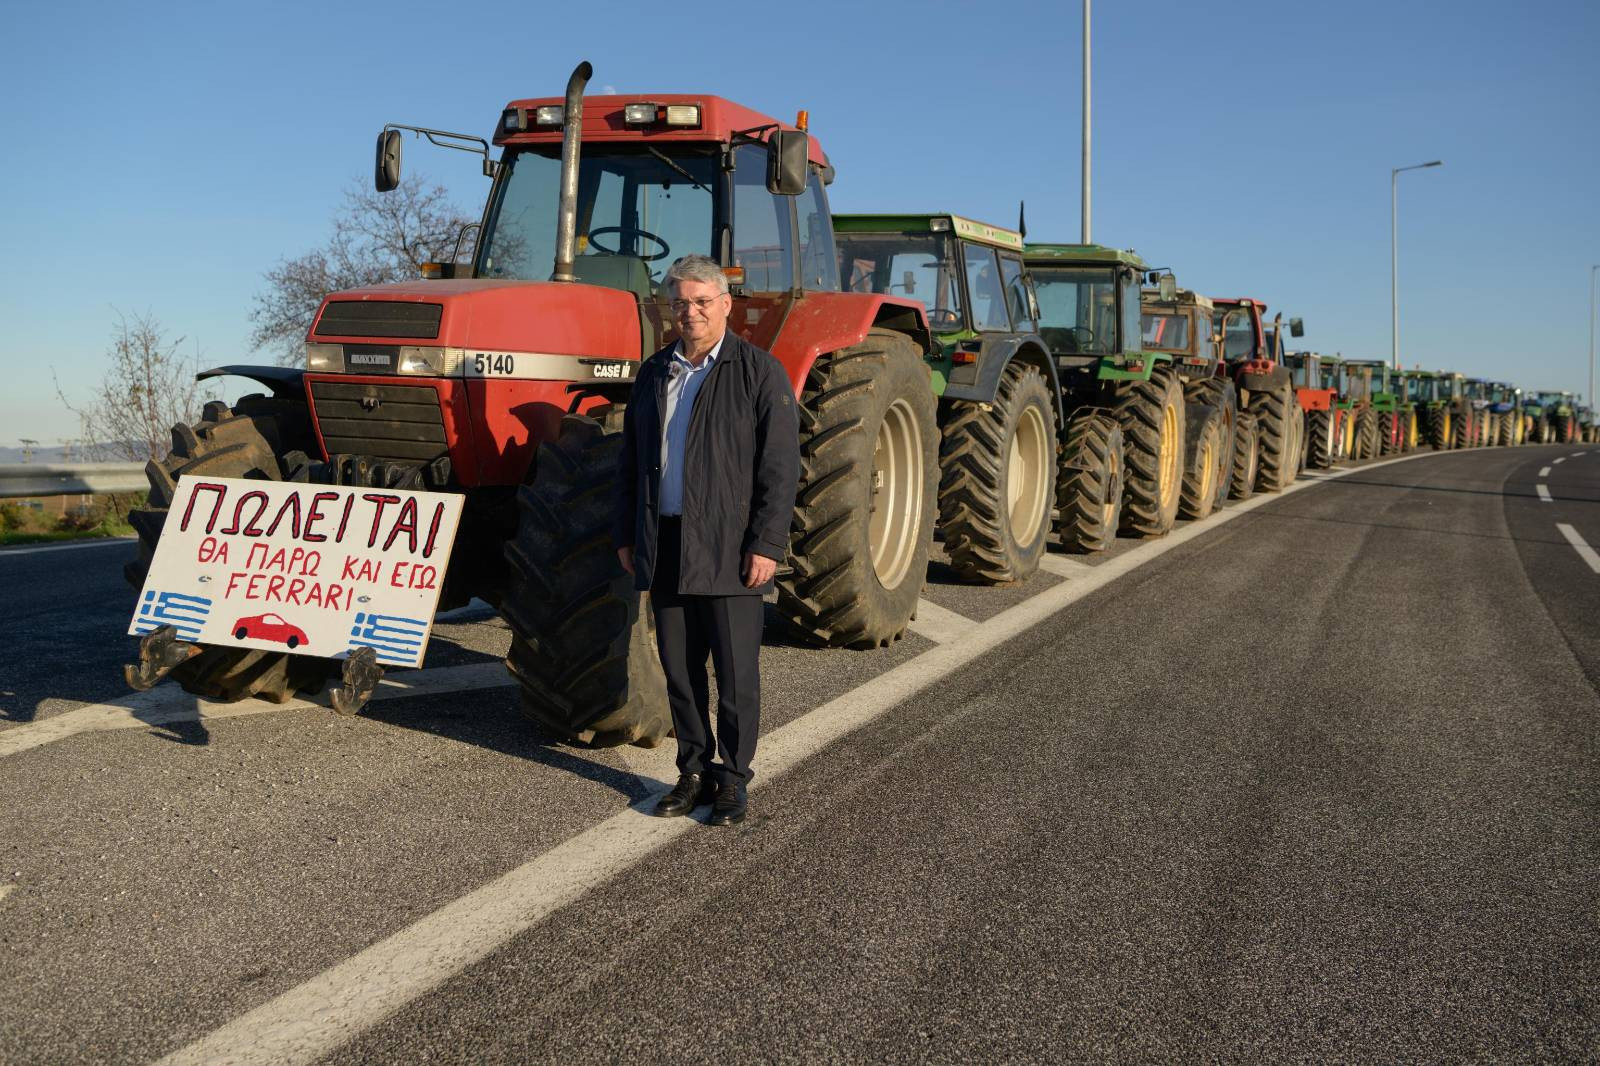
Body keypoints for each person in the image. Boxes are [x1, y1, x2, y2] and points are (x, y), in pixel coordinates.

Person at [613, 254, 800, 826]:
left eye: (701, 301)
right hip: (665, 540)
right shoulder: (654, 372)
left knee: (736, 673)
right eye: (680, 302)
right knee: (680, 668)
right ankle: (693, 769)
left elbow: (779, 466)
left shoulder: (757, 371)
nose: (689, 312)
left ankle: (733, 777)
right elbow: (631, 461)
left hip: (729, 546)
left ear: (725, 305)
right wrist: (628, 533)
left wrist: (766, 543)